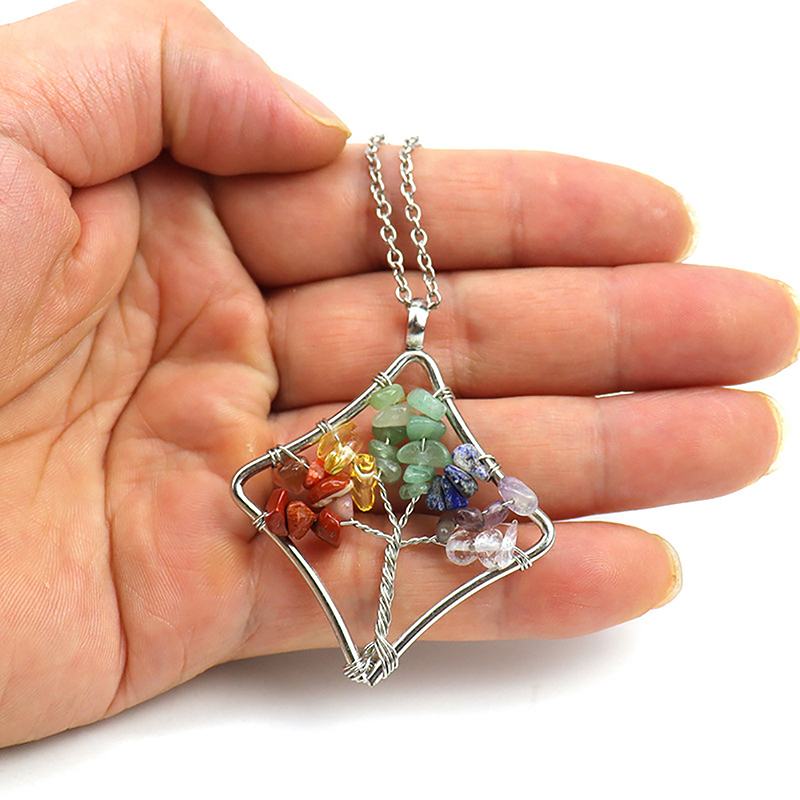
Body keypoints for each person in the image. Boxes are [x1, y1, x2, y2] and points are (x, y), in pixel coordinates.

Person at [0, 0, 796, 748]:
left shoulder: (428, 477)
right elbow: (276, 491)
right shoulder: (339, 479)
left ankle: (373, 639)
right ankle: (373, 638)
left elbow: (474, 517)